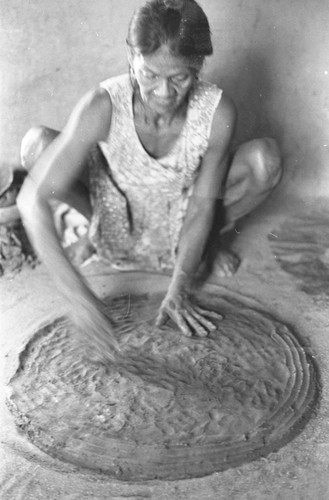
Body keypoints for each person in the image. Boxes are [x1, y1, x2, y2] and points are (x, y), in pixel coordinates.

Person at [17, 0, 282, 361]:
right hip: (115, 212)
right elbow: (30, 201)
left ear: (199, 66)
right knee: (38, 147)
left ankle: (210, 244)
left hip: (181, 218)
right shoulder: (104, 104)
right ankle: (96, 232)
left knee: (265, 160)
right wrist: (78, 297)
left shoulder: (216, 111)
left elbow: (204, 204)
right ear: (132, 58)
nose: (163, 93)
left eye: (179, 78)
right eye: (149, 75)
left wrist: (180, 288)